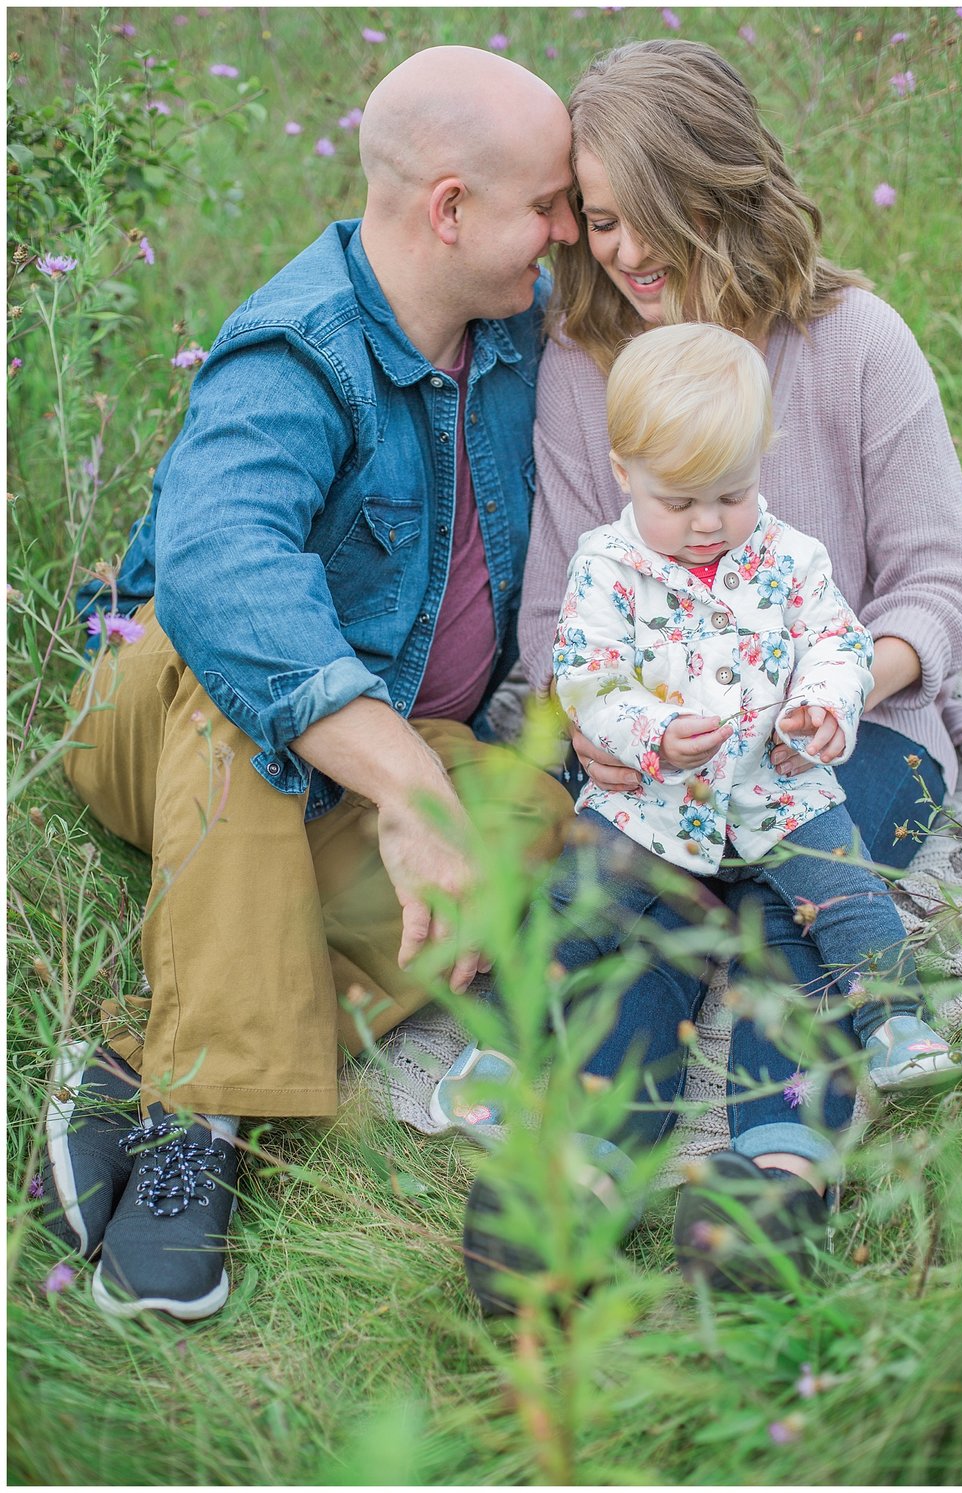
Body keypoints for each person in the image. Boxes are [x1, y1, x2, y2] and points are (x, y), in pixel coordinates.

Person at [38, 44, 580, 1322]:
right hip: (165, 722)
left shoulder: (515, 332)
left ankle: (140, 1050)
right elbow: (222, 569)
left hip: (377, 739)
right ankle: (202, 1118)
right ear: (449, 208)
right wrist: (398, 784)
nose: (565, 232)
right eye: (547, 204)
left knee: (536, 821)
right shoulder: (297, 349)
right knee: (244, 687)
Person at [463, 37, 962, 1305]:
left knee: (785, 894)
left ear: (724, 186)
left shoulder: (854, 343)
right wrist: (618, 729)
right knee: (636, 894)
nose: (627, 252)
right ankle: (574, 1161)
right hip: (667, 758)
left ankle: (774, 1163)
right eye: (599, 221)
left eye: (655, 214)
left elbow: (940, 592)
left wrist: (829, 694)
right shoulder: (588, 372)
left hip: (848, 733)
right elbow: (557, 624)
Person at [555, 321, 962, 1093]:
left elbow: (839, 641)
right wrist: (650, 732)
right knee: (579, 903)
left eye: (731, 495)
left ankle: (896, 1020)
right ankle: (507, 1042)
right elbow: (586, 671)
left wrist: (823, 706)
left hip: (779, 783)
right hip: (651, 799)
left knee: (846, 892)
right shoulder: (607, 566)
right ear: (623, 473)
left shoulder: (788, 556)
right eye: (679, 502)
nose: (708, 523)